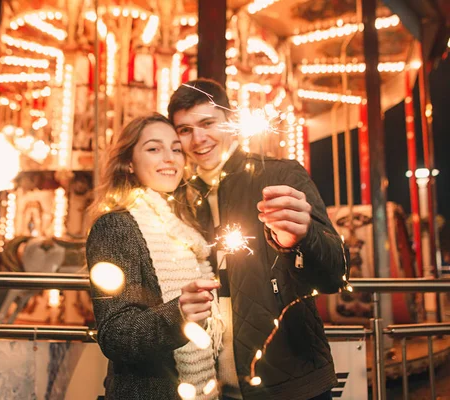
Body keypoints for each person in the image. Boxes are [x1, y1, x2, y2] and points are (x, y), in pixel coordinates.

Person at [168, 79, 346, 400]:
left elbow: (336, 274)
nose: (198, 138)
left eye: (208, 123)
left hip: (290, 379)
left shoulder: (280, 175)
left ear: (229, 119)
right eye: (184, 129)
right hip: (215, 386)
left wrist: (301, 240)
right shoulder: (181, 197)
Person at [86, 113, 224, 399]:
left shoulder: (189, 229)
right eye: (153, 148)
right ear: (129, 163)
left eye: (176, 149)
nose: (170, 158)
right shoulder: (115, 226)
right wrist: (179, 313)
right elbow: (115, 335)